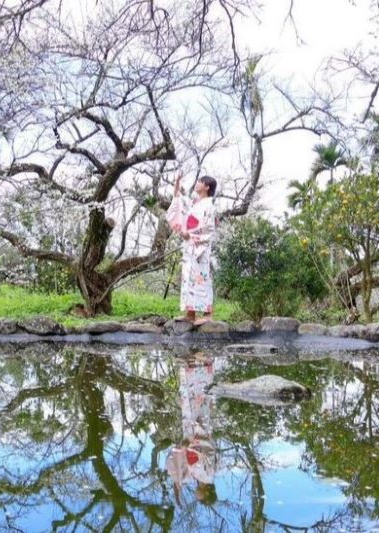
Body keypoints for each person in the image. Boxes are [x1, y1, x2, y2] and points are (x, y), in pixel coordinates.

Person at [165, 352, 217, 507]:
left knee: (188, 397)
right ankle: (201, 361)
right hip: (198, 431)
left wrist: (177, 492)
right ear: (207, 493)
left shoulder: (196, 477)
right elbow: (209, 452)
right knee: (199, 399)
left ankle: (191, 362)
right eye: (200, 498)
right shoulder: (208, 474)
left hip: (190, 433)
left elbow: (179, 471)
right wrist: (192, 445)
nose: (196, 496)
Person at [166, 174, 217, 326]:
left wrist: (191, 235)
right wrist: (176, 181)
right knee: (189, 280)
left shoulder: (209, 206)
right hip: (189, 246)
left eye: (201, 182)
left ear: (207, 187)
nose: (197, 183)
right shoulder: (195, 203)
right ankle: (190, 314)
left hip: (200, 247)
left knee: (202, 278)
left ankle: (208, 314)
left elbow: (209, 229)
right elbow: (178, 198)